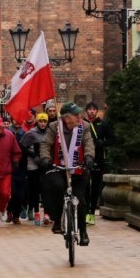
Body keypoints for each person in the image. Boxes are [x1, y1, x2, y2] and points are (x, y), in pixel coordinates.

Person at [39, 102, 94, 246]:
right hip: (59, 167)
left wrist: (89, 158)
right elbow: (45, 144)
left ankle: (83, 232)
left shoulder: (85, 126)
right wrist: (45, 158)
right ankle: (57, 220)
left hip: (79, 168)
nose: (79, 116)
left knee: (80, 200)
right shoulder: (54, 126)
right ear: (66, 118)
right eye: (76, 114)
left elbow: (88, 144)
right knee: (56, 187)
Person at [83, 102, 115, 225]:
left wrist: (103, 143)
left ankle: (91, 213)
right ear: (86, 111)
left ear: (97, 111)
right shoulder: (83, 124)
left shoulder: (103, 124)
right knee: (85, 186)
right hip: (85, 159)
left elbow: (113, 138)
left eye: (94, 109)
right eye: (89, 109)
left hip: (98, 159)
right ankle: (85, 211)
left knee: (95, 187)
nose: (91, 111)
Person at [21, 111, 49, 225]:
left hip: (46, 163)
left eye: (45, 121)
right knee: (34, 190)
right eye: (41, 121)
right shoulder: (31, 133)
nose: (42, 123)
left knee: (46, 189)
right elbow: (22, 146)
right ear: (37, 121)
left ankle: (47, 213)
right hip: (33, 164)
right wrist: (33, 155)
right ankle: (36, 212)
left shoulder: (50, 132)